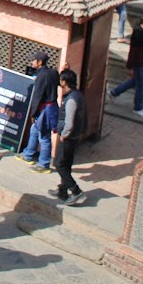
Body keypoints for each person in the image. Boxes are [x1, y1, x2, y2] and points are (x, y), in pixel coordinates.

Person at [17, 51, 60, 173]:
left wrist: (33, 113)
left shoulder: (42, 76)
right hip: (50, 107)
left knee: (44, 137)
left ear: (40, 62)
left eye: (33, 60)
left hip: (45, 109)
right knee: (34, 131)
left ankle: (44, 164)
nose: (31, 62)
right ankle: (28, 154)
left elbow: (38, 96)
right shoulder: (52, 72)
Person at [109, 15, 143, 118]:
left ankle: (114, 92)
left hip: (141, 61)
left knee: (134, 82)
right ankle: (138, 108)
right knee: (141, 85)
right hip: (137, 63)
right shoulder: (138, 33)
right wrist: (130, 67)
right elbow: (133, 51)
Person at [53, 69, 87, 206]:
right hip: (75, 135)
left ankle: (75, 190)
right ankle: (62, 189)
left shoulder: (71, 100)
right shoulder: (78, 95)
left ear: (64, 82)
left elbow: (69, 121)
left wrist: (64, 134)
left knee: (59, 164)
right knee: (66, 163)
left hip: (68, 137)